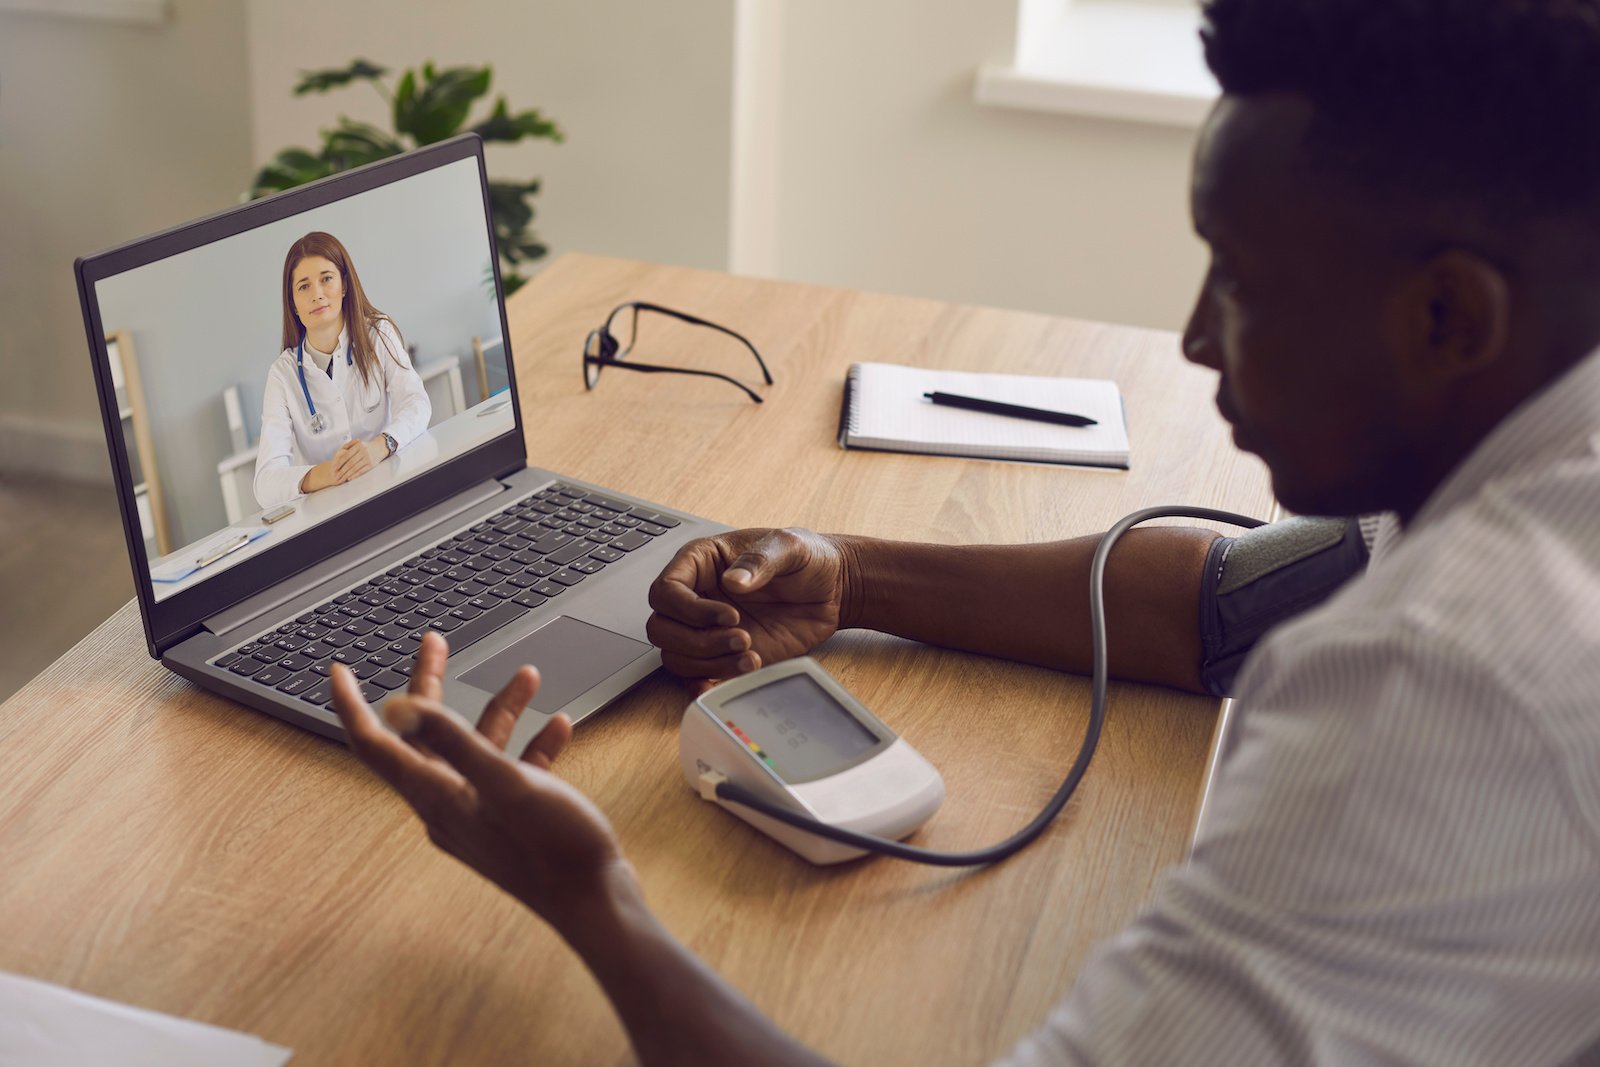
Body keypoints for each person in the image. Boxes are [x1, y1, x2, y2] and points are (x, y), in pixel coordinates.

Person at [330, 0, 1600, 1063]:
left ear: (1448, 318)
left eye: (1244, 284)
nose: (1198, 336)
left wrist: (594, 902)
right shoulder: (1535, 430)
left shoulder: (1453, 672)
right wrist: (859, 570)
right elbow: (1219, 601)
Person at [253, 231, 431, 509]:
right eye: (303, 286)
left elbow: (417, 404)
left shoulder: (378, 333)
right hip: (333, 512)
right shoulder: (282, 375)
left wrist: (380, 446)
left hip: (394, 489)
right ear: (293, 304)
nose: (317, 295)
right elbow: (265, 484)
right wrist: (327, 473)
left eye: (326, 279)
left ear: (344, 285)